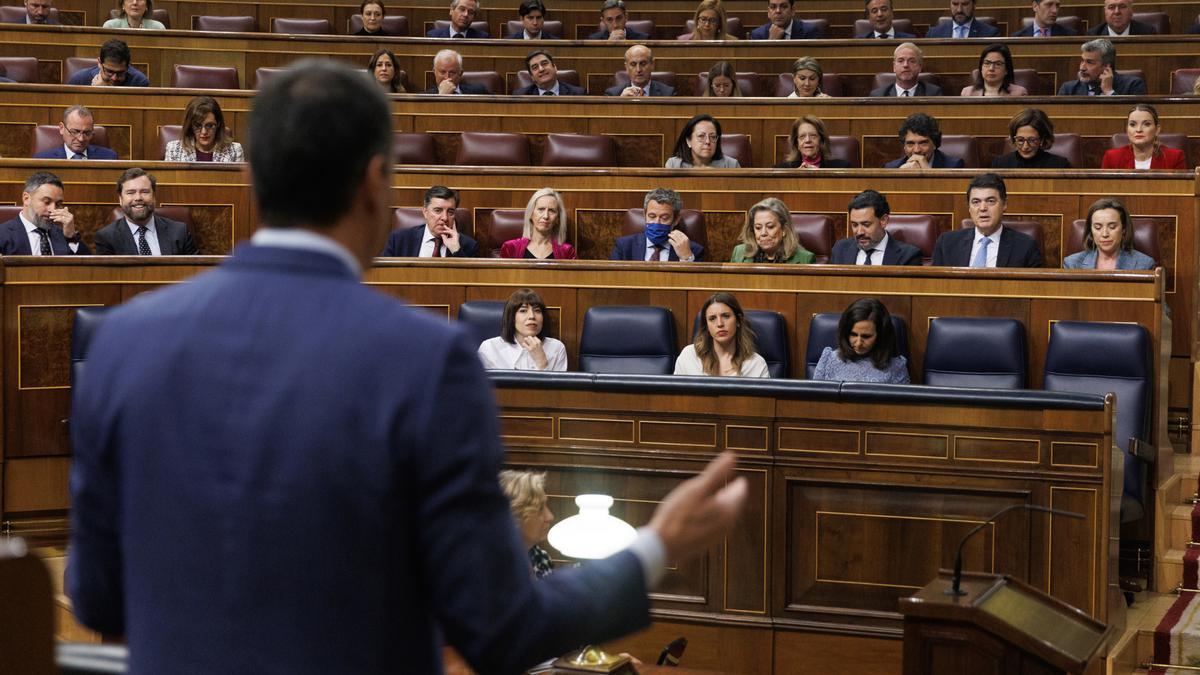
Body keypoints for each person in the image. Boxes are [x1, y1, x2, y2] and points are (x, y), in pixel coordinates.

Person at [66, 59, 747, 674]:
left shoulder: (123, 344)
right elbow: (502, 627)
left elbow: (95, 594)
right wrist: (655, 546)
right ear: (374, 182)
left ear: (254, 179)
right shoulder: (426, 359)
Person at [932, 173, 1043, 267]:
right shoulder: (947, 243)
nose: (983, 208)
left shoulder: (1025, 246)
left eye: (990, 201)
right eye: (976, 202)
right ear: (969, 208)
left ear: (1004, 204)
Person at [94, 168, 199, 255]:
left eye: (144, 192)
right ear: (120, 199)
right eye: (131, 193)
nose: (138, 198)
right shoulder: (107, 238)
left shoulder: (179, 232)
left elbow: (196, 273)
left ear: (154, 197)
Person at [812, 298, 909, 383]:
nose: (858, 343)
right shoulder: (829, 359)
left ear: (881, 336)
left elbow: (901, 403)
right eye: (853, 334)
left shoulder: (897, 367)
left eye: (866, 336)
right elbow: (814, 400)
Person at [674, 292, 769, 377]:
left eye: (726, 316)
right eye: (712, 318)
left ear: (738, 321)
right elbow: (675, 396)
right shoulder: (688, 357)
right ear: (707, 326)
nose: (719, 324)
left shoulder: (756, 364)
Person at [477, 289, 568, 371]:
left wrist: (542, 362)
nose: (532, 316)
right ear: (511, 317)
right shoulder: (489, 348)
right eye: (523, 311)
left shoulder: (556, 348)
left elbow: (557, 389)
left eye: (537, 311)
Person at [0, 171, 87, 255]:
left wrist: (71, 236)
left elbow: (86, 267)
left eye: (58, 204)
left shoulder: (63, 235)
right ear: (26, 199)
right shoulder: (3, 235)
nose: (52, 209)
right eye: (47, 202)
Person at [380, 185, 478, 257]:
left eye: (450, 212)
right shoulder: (398, 240)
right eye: (438, 210)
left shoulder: (468, 246)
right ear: (425, 212)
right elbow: (383, 276)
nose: (444, 218)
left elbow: (470, 282)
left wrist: (456, 250)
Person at [830, 190, 922, 265]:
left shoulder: (908, 256)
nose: (859, 232)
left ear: (883, 221)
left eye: (866, 224)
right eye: (855, 225)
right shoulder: (840, 250)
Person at [611, 187, 704, 261]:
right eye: (652, 216)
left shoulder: (693, 250)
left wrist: (686, 259)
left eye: (664, 218)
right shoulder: (623, 246)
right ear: (644, 215)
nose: (656, 222)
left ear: (676, 220)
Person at [1063, 198, 1155, 270]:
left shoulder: (1144, 265)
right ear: (1091, 231)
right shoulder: (1072, 264)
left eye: (1112, 227)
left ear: (1123, 229)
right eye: (1098, 227)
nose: (1105, 234)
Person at [498, 470, 556, 577]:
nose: (550, 516)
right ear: (514, 516)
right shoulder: (487, 568)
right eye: (540, 509)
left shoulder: (540, 558)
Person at [1101, 103, 1187, 170]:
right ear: (1127, 129)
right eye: (1132, 124)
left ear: (1157, 130)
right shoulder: (1112, 157)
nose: (1138, 129)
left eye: (1146, 124)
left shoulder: (1174, 158)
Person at [500, 187, 577, 259]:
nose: (546, 216)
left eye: (552, 211)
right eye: (541, 209)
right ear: (531, 214)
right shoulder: (510, 248)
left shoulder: (567, 252)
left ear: (558, 219)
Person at [729, 197, 813, 263]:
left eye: (770, 227)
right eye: (758, 228)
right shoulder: (739, 254)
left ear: (784, 229)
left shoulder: (805, 259)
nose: (763, 233)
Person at [164, 95, 245, 162]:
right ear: (190, 126)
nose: (204, 132)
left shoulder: (234, 150)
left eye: (209, 125)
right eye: (197, 126)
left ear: (218, 124)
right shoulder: (173, 150)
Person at [1057, 39, 1146, 95]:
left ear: (1106, 66)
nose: (1082, 68)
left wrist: (1109, 92)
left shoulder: (1133, 86)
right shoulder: (1068, 89)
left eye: (1089, 62)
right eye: (1082, 61)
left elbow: (1133, 119)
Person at [991, 108, 1071, 168]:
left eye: (1032, 140)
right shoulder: (1000, 164)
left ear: (1042, 139)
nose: (1025, 146)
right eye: (1020, 140)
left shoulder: (1060, 165)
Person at [33, 105, 118, 160]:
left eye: (87, 133)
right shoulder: (43, 159)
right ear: (62, 128)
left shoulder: (109, 158)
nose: (81, 139)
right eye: (75, 132)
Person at [884, 113, 964, 168]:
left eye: (923, 143)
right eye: (910, 144)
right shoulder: (892, 168)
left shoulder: (953, 166)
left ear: (934, 144)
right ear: (904, 146)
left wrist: (928, 174)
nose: (917, 150)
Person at [666, 114, 739, 168]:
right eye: (701, 136)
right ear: (688, 141)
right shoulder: (674, 165)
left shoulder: (732, 165)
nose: (707, 141)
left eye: (713, 137)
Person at [776, 115, 849, 169]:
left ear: (821, 141)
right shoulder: (782, 170)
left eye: (813, 135)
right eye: (802, 136)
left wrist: (821, 175)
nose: (808, 140)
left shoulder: (843, 167)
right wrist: (795, 177)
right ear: (796, 143)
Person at [67, 39, 150, 86]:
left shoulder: (139, 82)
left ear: (128, 66)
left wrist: (104, 92)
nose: (114, 78)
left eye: (120, 73)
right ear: (99, 63)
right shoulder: (79, 80)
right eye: (109, 71)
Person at [870, 42, 941, 97]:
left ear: (920, 67)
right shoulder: (878, 95)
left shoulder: (933, 93)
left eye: (911, 61)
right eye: (901, 61)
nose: (906, 65)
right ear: (894, 66)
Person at [604, 44, 674, 96]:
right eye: (633, 64)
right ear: (626, 67)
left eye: (643, 63)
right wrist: (620, 103)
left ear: (652, 64)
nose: (638, 69)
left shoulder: (668, 93)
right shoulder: (612, 94)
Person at [961, 44, 1028, 96]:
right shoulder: (967, 93)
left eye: (998, 64)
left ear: (1006, 70)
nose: (991, 68)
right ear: (981, 68)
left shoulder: (1019, 94)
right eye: (987, 63)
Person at [515, 50, 585, 95]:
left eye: (544, 63)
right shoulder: (521, 96)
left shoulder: (578, 94)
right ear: (532, 76)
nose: (541, 69)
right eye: (535, 67)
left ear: (554, 67)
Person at [749, 0, 822, 39]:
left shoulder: (810, 32)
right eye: (773, 7)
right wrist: (771, 41)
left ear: (792, 10)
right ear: (768, 12)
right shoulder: (758, 35)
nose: (778, 11)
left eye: (784, 6)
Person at [925, 0, 999, 37]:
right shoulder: (933, 34)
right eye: (955, 4)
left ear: (974, 5)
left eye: (965, 4)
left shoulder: (990, 33)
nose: (959, 10)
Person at [1089, 0, 1156, 35]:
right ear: (1105, 11)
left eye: (1122, 6)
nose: (1117, 12)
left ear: (1131, 10)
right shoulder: (1093, 35)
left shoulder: (1147, 32)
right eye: (1111, 7)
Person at [1011, 0, 1076, 36]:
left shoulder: (1070, 35)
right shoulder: (1017, 37)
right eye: (1049, 4)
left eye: (1057, 5)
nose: (1055, 10)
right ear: (1035, 6)